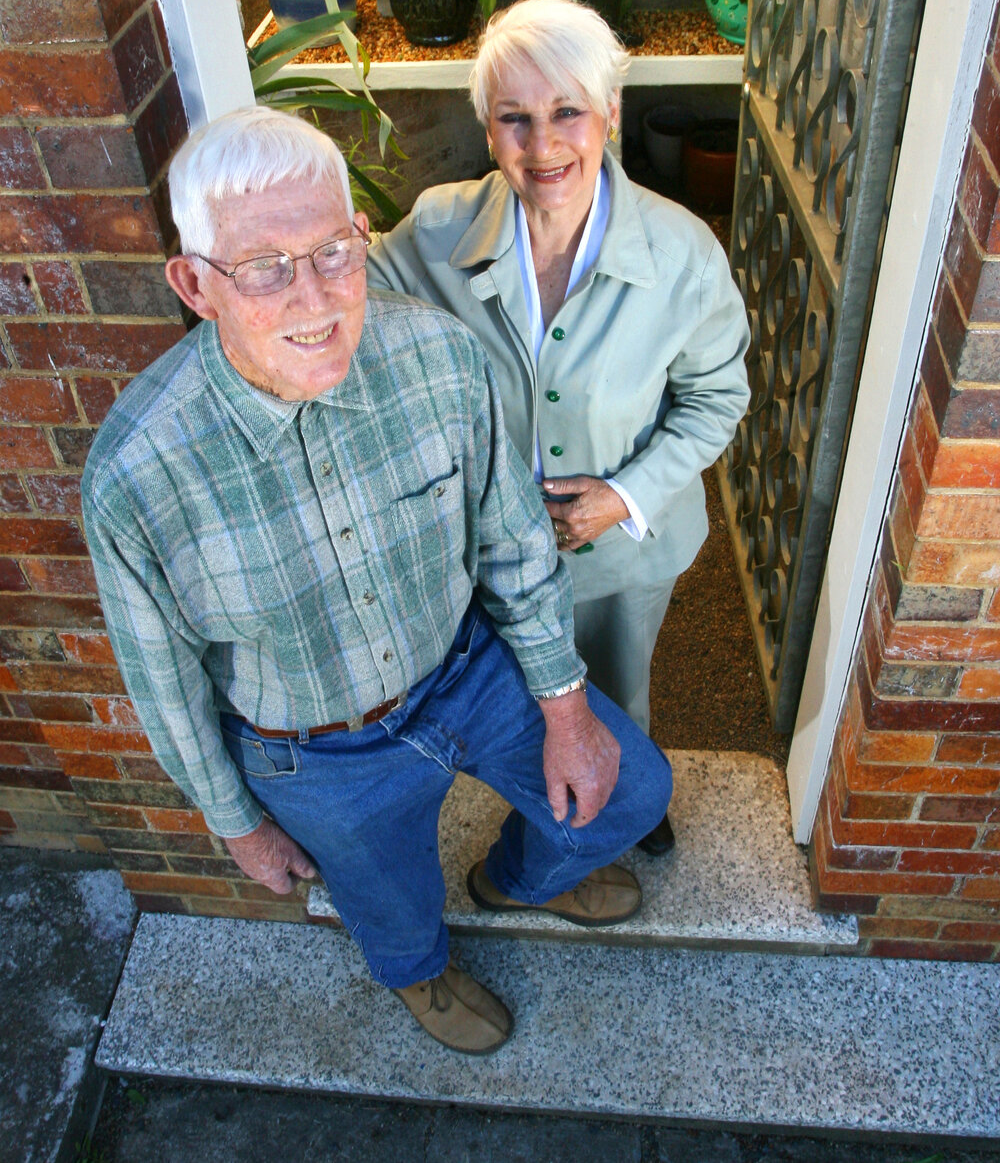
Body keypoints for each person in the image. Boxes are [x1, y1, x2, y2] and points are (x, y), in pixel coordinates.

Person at [82, 106, 671, 1058]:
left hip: (464, 670)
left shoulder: (438, 357)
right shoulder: (139, 475)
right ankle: (422, 974)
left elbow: (516, 546)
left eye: (333, 252)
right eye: (265, 268)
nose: (315, 298)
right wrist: (238, 824)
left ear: (363, 239)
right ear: (195, 284)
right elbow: (166, 685)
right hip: (311, 751)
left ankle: (519, 878)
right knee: (388, 907)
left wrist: (566, 710)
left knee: (632, 791)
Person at [367, 0, 751, 857]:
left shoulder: (684, 253)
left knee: (620, 679)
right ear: (489, 128)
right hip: (498, 551)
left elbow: (717, 396)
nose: (544, 146)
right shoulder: (437, 230)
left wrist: (621, 495)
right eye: (515, 119)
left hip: (629, 546)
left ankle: (632, 796)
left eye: (567, 111)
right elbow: (348, 287)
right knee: (521, 688)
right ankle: (546, 797)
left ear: (610, 112)